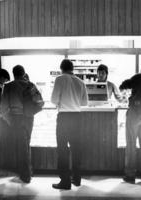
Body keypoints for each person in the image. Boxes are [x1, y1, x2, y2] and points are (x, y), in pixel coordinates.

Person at [0, 65, 43, 183]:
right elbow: (40, 102)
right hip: (29, 118)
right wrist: (31, 112)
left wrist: (9, 119)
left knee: (21, 146)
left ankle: (25, 174)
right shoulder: (31, 85)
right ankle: (27, 172)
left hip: (15, 118)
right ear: (24, 73)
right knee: (26, 144)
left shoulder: (8, 86)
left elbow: (3, 108)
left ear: (13, 74)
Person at [51, 59, 88, 190]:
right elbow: (84, 103)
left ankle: (65, 181)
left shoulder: (59, 79)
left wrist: (61, 101)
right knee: (76, 148)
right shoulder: (80, 82)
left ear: (61, 68)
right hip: (77, 117)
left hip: (64, 117)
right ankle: (77, 179)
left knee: (62, 149)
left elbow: (53, 100)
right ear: (72, 69)